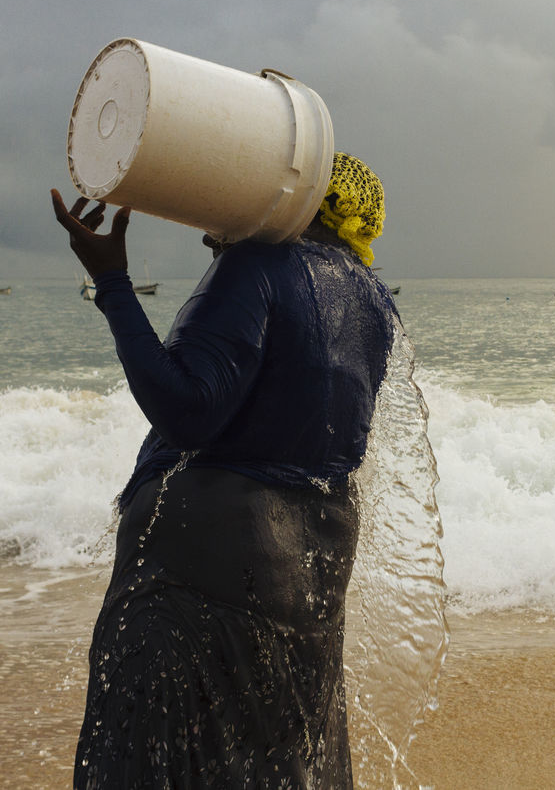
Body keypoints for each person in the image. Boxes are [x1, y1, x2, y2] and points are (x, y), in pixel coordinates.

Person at [51, 152, 396, 789]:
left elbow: (188, 411)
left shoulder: (257, 267)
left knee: (155, 762)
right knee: (278, 763)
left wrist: (113, 281)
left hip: (202, 568)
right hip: (311, 570)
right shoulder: (371, 300)